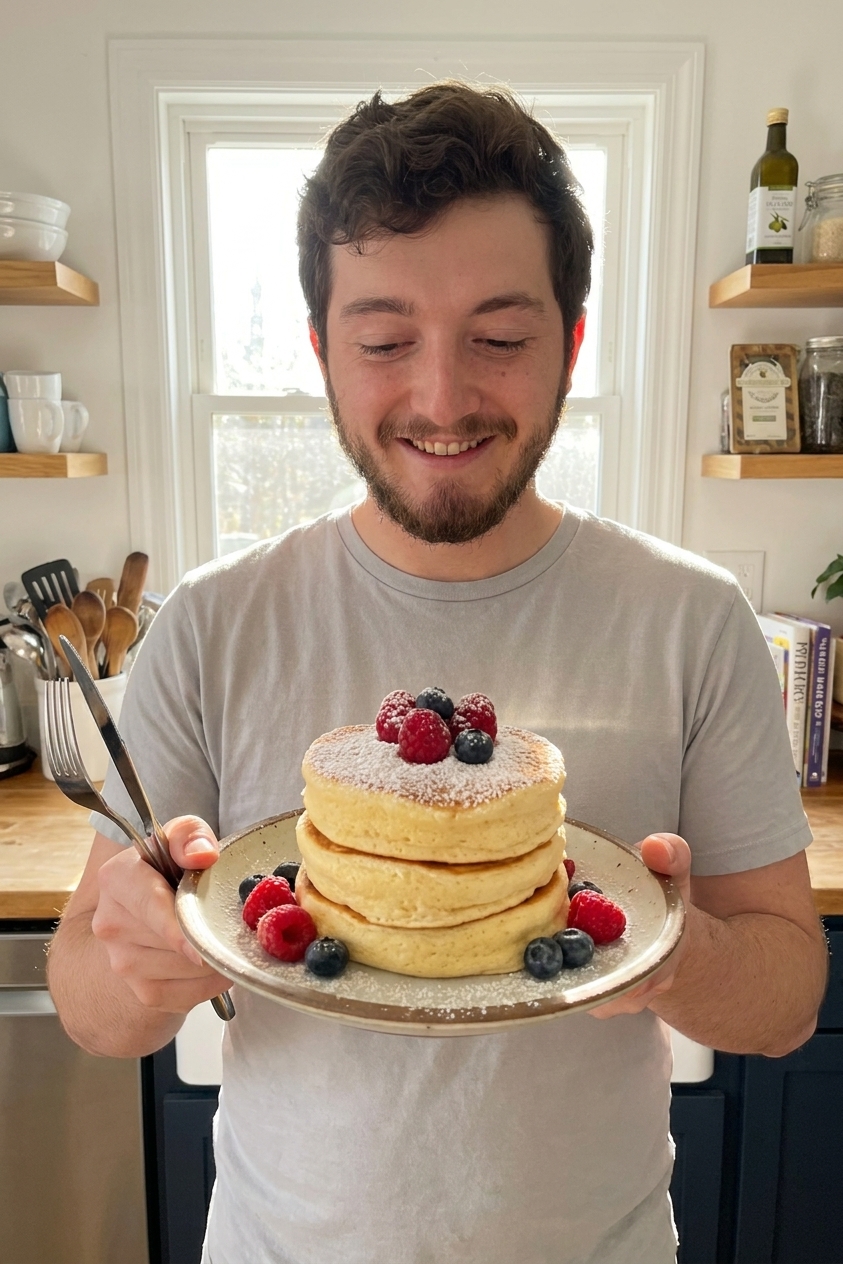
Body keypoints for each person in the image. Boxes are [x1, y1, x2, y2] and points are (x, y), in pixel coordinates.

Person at [48, 82, 827, 1264]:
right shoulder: (213, 621)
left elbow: (788, 994)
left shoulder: (691, 619)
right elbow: (84, 999)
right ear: (320, 352)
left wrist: (679, 948)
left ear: (571, 342)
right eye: (383, 340)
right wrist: (146, 957)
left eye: (502, 338)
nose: (443, 397)